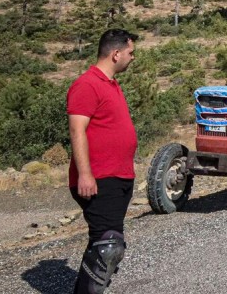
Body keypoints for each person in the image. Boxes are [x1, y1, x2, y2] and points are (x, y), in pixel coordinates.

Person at [67, 29, 138, 294]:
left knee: (104, 243)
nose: (133, 57)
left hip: (118, 177)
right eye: (130, 52)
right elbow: (77, 130)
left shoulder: (110, 84)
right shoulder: (87, 84)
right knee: (108, 246)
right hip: (99, 178)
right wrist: (85, 174)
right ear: (116, 53)